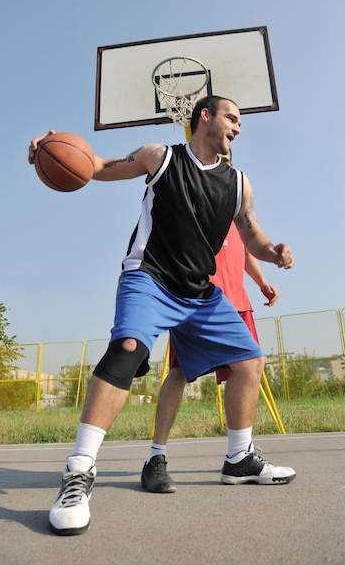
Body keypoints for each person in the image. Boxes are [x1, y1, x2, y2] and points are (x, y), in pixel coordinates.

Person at [28, 95, 296, 536]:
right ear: (204, 117)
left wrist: (274, 251)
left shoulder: (239, 184)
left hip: (198, 291)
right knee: (129, 350)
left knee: (250, 360)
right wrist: (51, 144)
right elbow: (94, 166)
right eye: (232, 117)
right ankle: (78, 472)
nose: (238, 127)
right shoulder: (160, 157)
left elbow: (252, 235)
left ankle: (238, 458)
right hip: (149, 278)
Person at [141, 153, 280, 494]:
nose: (226, 162)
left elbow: (248, 249)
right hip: (198, 299)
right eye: (220, 158)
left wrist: (261, 281)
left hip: (238, 303)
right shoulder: (196, 196)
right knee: (179, 373)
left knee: (248, 369)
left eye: (230, 159)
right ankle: (156, 457)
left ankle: (239, 456)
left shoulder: (236, 205)